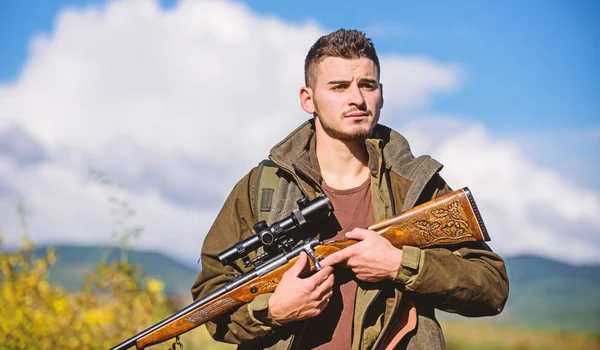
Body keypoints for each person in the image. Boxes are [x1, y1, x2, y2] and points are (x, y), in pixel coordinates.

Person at [192, 29, 509, 350]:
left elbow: (491, 287)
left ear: (381, 94)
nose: (356, 98)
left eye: (367, 85)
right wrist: (273, 310)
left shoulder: (416, 184)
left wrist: (400, 264)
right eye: (339, 87)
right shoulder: (262, 187)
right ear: (308, 98)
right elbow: (209, 298)